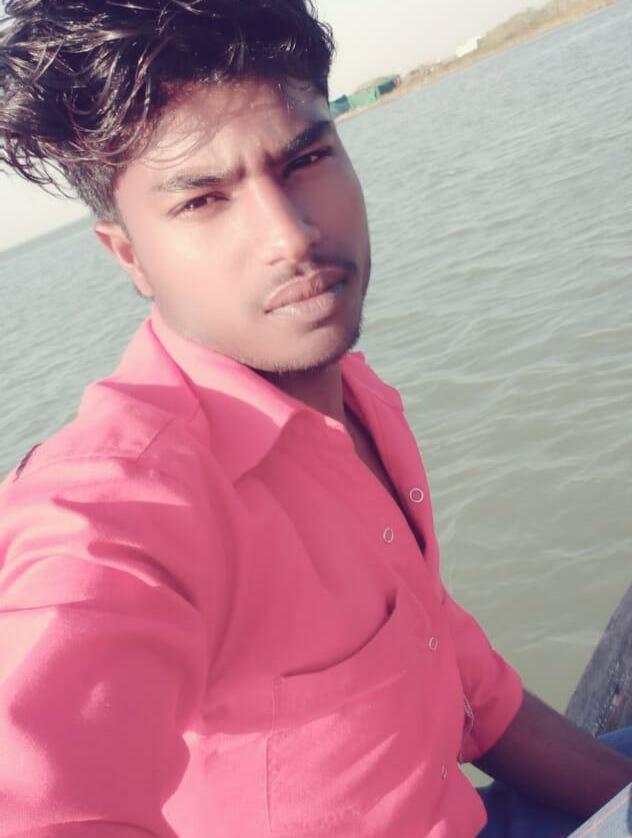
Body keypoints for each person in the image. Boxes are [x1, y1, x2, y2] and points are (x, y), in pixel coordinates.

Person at [0, 1, 630, 836]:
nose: (289, 237)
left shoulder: (358, 398)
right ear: (130, 257)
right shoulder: (117, 503)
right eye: (202, 201)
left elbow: (460, 671)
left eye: (305, 160)